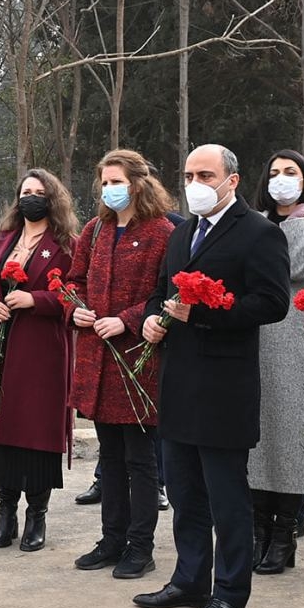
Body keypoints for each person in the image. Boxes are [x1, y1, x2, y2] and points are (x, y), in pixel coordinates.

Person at [133, 144, 291, 608]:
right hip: (179, 379)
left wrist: (202, 313)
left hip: (225, 383)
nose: (196, 182)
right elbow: (161, 291)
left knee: (227, 497)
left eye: (206, 174)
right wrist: (153, 319)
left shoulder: (260, 233)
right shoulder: (182, 233)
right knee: (184, 491)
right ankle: (189, 578)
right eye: (188, 174)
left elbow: (271, 303)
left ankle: (229, 594)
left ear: (232, 180)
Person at [67, 150, 175, 578]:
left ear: (138, 182)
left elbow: (164, 292)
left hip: (137, 362)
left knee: (140, 460)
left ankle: (140, 546)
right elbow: (74, 281)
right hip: (97, 361)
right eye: (103, 181)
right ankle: (111, 539)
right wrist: (75, 308)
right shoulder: (95, 230)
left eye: (115, 180)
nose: (108, 188)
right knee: (108, 457)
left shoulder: (161, 232)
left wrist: (127, 319)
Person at [0, 169, 78, 552]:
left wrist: (37, 300)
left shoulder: (67, 244)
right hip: (2, 349)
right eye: (24, 192)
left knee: (35, 433)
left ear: (53, 198)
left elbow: (74, 296)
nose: (30, 197)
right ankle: (6, 513)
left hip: (42, 353)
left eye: (39, 192)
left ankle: (37, 515)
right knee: (3, 430)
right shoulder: (4, 239)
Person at [246, 149, 304, 572]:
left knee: (292, 439)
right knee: (258, 440)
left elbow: (301, 265)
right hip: (253, 341)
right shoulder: (253, 224)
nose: (281, 179)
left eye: (291, 172)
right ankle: (258, 530)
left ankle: (285, 533)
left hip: (299, 345)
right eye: (274, 173)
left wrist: (297, 219)